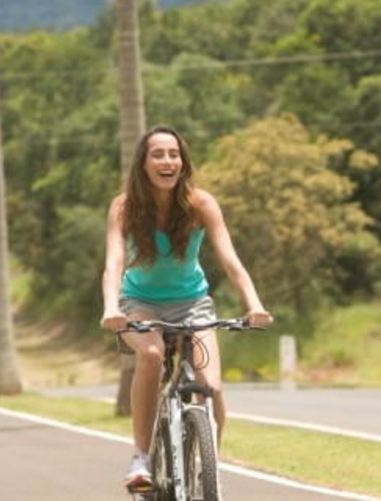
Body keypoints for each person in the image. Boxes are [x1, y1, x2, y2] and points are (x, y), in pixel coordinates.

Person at [101, 125, 273, 493]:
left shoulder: (201, 204)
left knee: (212, 388)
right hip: (139, 303)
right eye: (158, 154)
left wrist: (254, 304)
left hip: (194, 304)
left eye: (174, 154)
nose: (167, 161)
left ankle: (207, 469)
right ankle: (141, 457)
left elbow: (230, 261)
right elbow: (114, 263)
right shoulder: (125, 207)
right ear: (143, 164)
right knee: (150, 355)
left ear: (183, 161)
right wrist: (110, 307)